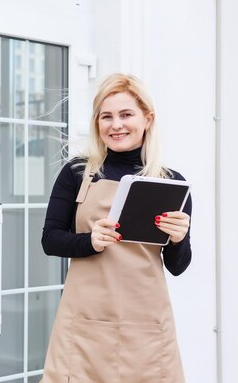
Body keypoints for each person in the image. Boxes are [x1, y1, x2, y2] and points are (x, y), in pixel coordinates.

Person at [39, 74, 192, 383]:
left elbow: (178, 266)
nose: (115, 125)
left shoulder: (171, 182)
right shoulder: (77, 173)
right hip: (85, 324)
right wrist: (90, 241)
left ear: (147, 119)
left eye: (126, 114)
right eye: (106, 116)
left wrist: (179, 238)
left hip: (146, 328)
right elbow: (50, 240)